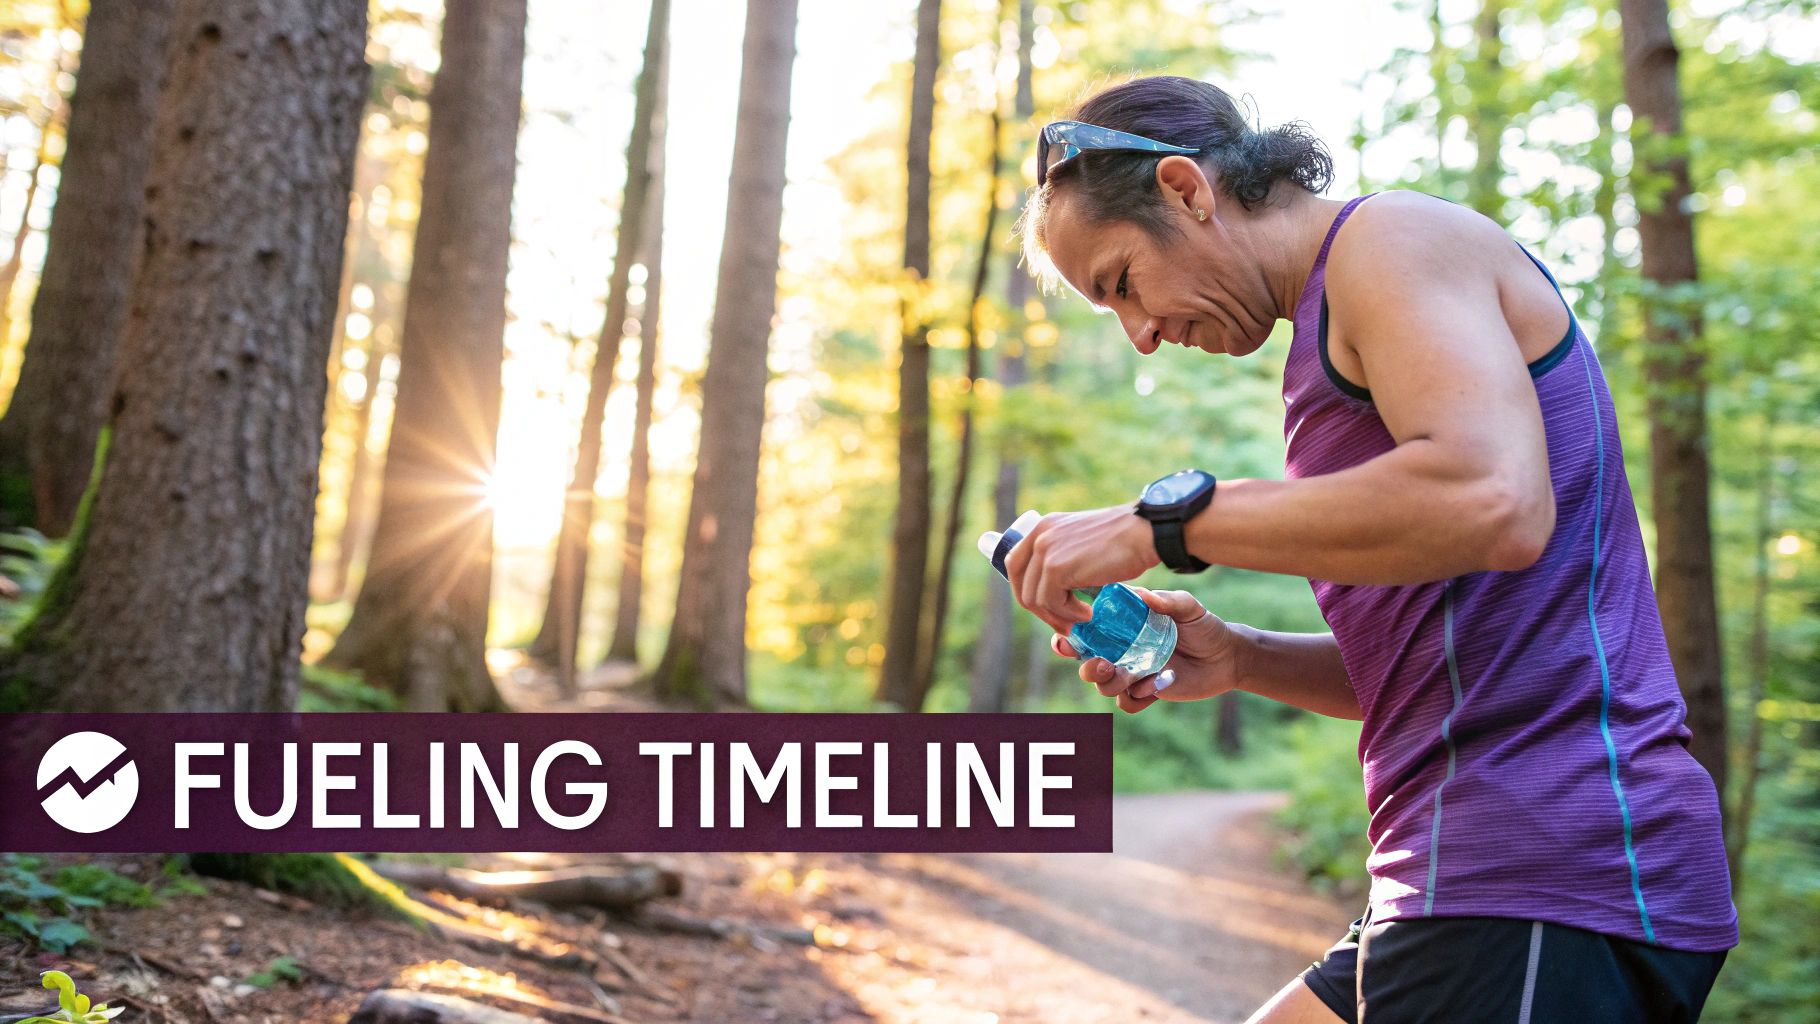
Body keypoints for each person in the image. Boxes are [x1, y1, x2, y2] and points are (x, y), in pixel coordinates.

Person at [1004, 75, 1738, 1023]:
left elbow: (1494, 500)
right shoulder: (1325, 335)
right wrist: (1241, 659)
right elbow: (1455, 651)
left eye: (1120, 284)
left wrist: (1161, 523)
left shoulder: (1389, 240)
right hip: (1455, 870)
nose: (1140, 336)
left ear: (1187, 190)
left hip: (1549, 862)